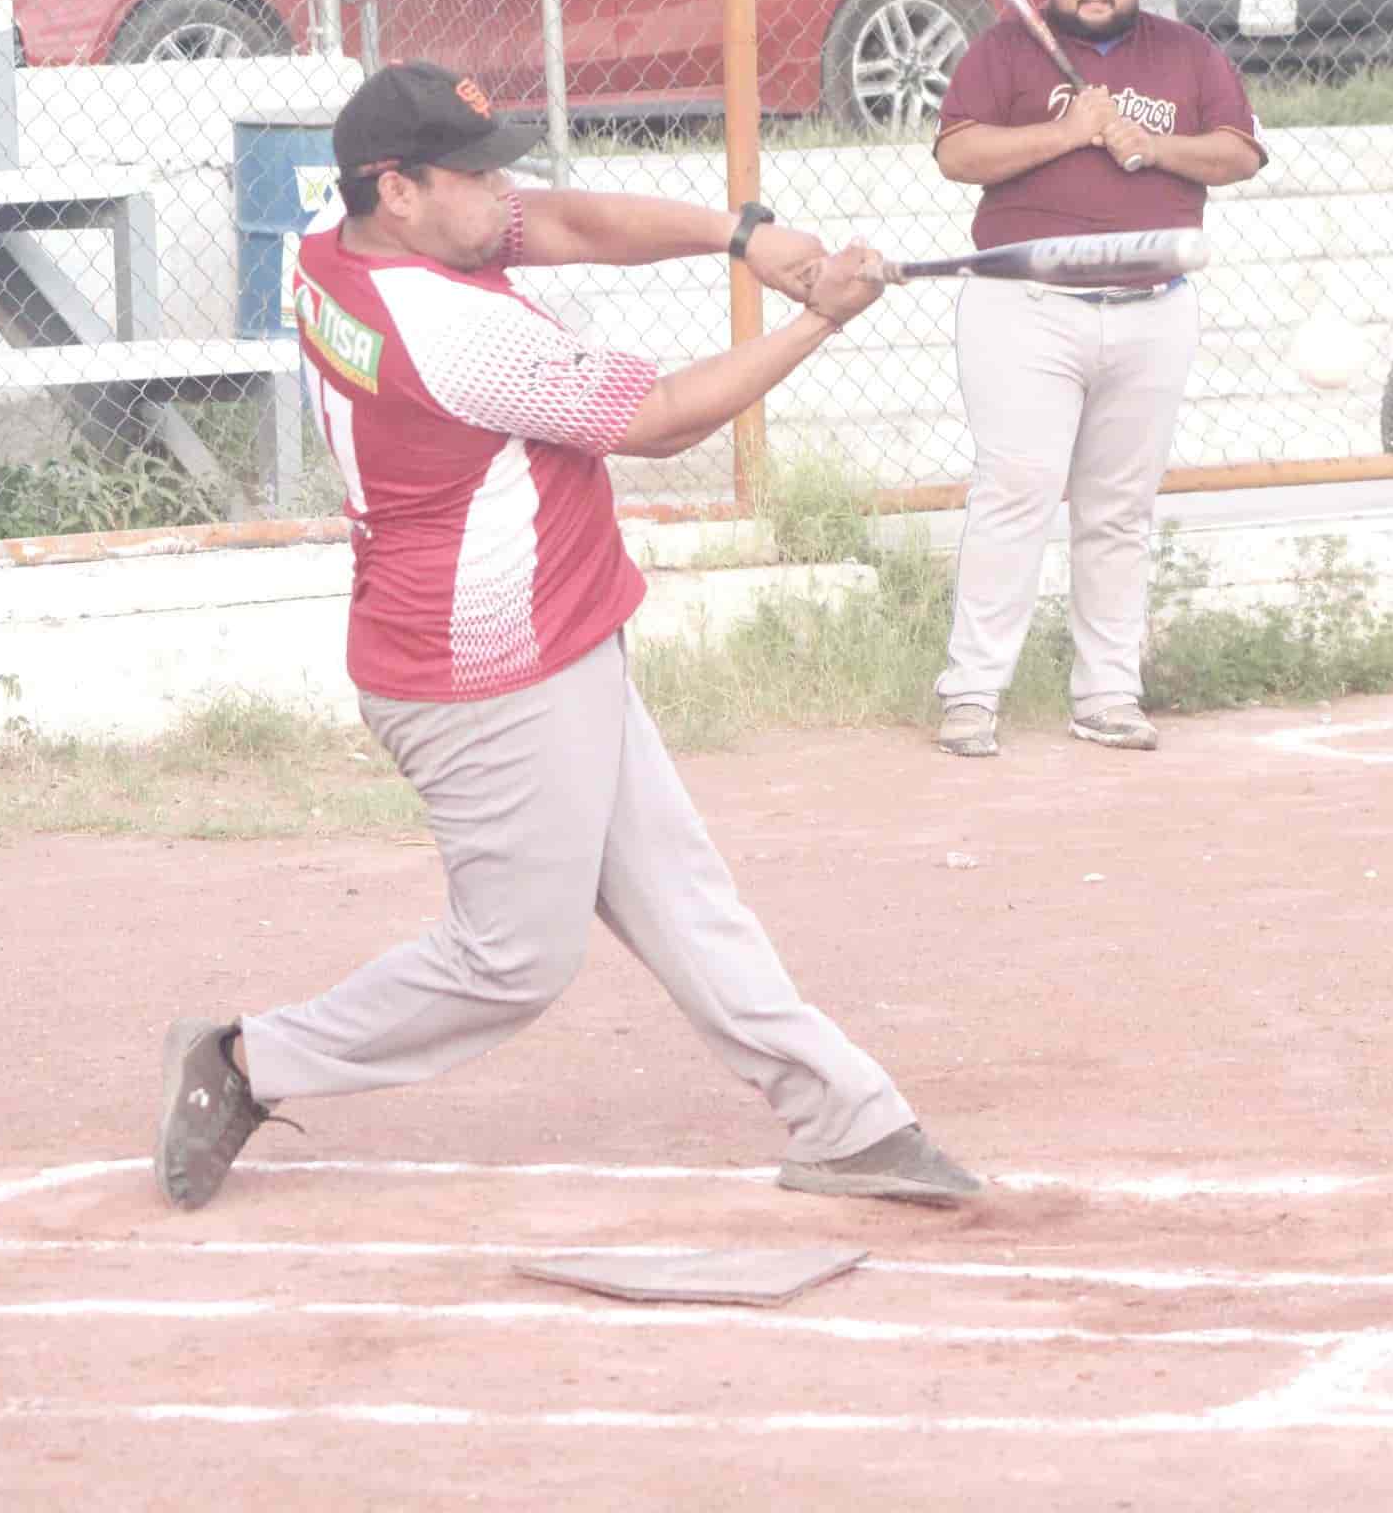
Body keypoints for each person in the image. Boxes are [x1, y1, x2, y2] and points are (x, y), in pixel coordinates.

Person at [155, 61, 983, 1214]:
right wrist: (818, 321)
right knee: (513, 962)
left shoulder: (347, 243)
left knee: (687, 901)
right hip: (483, 678)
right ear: (395, 187)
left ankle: (849, 1120)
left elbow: (571, 221)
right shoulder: (447, 330)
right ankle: (248, 1061)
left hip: (554, 635)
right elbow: (655, 420)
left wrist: (746, 235)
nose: (508, 196)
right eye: (477, 174)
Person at [927, 0, 1266, 759]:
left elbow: (1236, 152)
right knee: (1017, 492)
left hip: (1153, 305)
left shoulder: (1185, 54)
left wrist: (1153, 148)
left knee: (1119, 510)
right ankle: (971, 694)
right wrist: (1067, 130)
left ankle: (1108, 693)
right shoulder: (1005, 49)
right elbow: (957, 154)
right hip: (1026, 306)